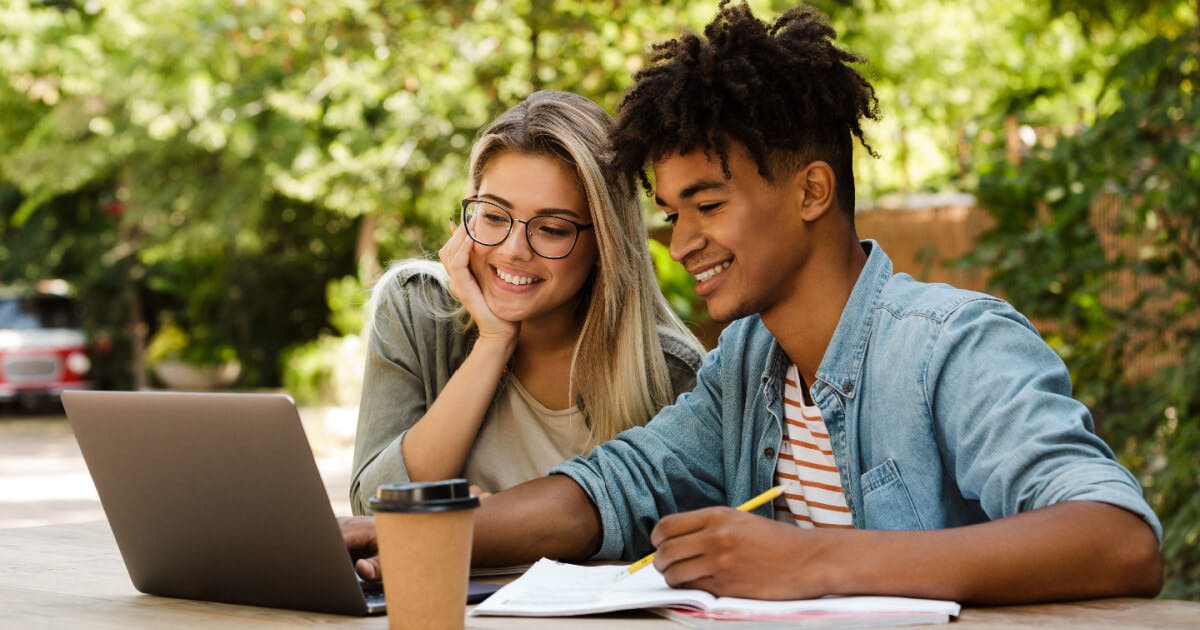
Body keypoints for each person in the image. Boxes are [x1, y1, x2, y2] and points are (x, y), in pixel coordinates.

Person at [344, 2, 1163, 603]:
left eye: (708, 205)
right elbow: (611, 487)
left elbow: (1116, 538)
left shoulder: (952, 344)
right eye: (671, 213)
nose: (680, 240)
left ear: (811, 191)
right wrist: (401, 537)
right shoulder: (747, 368)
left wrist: (814, 562)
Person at [348, 90, 704, 513]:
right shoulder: (415, 309)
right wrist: (493, 343)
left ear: (606, 245)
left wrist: (490, 527)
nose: (514, 249)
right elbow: (372, 510)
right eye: (494, 216)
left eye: (552, 229)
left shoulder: (669, 373)